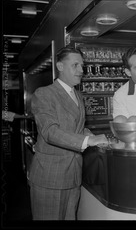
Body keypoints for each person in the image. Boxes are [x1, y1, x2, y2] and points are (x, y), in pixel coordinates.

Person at [29, 47, 108, 220]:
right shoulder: (44, 94)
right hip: (50, 177)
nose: (81, 70)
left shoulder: (78, 95)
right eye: (75, 65)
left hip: (73, 176)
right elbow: (50, 131)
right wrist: (88, 140)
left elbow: (77, 129)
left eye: (82, 65)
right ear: (60, 66)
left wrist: (96, 138)